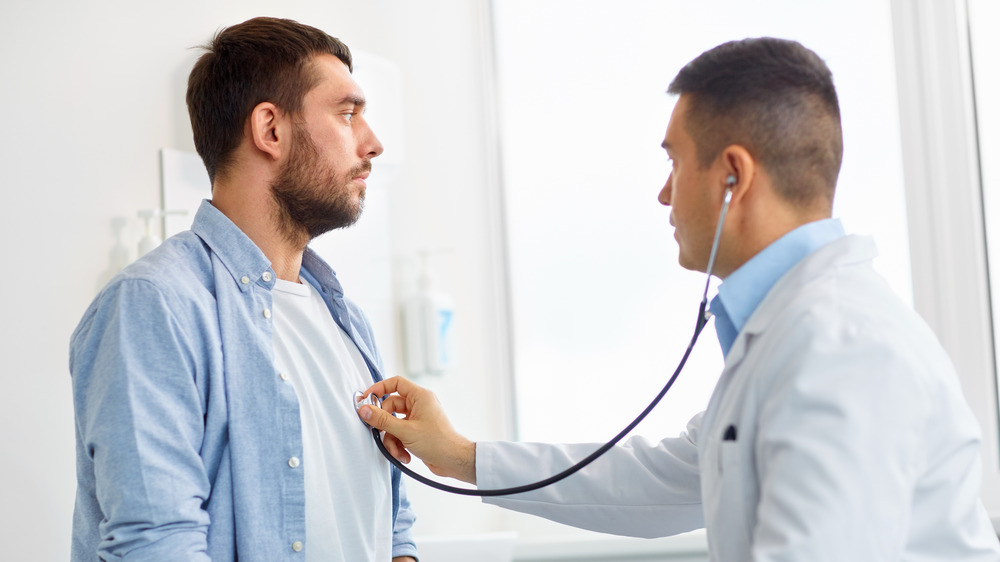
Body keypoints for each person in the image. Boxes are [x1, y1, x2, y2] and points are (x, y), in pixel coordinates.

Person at [358, 38, 1000, 560]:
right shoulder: (790, 333)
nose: (664, 195)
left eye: (674, 162)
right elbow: (663, 481)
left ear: (732, 176)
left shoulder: (840, 346)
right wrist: (460, 455)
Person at [70, 17, 417, 561]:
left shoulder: (345, 318)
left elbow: (389, 522)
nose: (372, 144)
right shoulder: (154, 305)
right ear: (270, 131)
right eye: (348, 114)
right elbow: (158, 546)